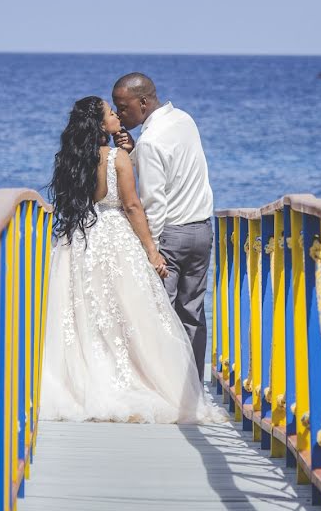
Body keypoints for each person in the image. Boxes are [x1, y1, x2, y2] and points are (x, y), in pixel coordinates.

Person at [40, 96, 224, 423]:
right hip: (114, 238)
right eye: (111, 114)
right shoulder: (116, 159)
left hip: (79, 238)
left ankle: (87, 383)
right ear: (100, 126)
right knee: (128, 313)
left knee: (86, 316)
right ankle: (142, 381)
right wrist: (152, 250)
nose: (117, 117)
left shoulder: (68, 160)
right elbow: (133, 207)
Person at [112, 73, 214, 383]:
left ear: (142, 102)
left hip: (171, 235)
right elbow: (175, 171)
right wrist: (135, 151)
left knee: (160, 313)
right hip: (202, 230)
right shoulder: (184, 120)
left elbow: (154, 202)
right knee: (192, 313)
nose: (118, 114)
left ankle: (164, 386)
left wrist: (150, 250)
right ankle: (193, 385)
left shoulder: (152, 141)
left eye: (123, 106)